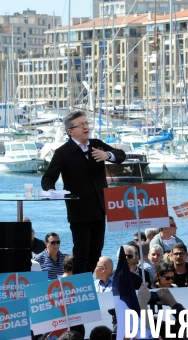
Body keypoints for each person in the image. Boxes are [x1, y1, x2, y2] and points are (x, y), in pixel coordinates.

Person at [41, 110, 126, 274]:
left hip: (100, 209)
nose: (86, 127)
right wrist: (51, 191)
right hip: (79, 210)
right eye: (81, 125)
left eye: (86, 123)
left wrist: (106, 154)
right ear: (70, 131)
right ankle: (79, 287)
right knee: (82, 252)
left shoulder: (97, 144)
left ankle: (87, 282)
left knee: (96, 252)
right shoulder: (63, 152)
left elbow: (121, 155)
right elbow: (48, 177)